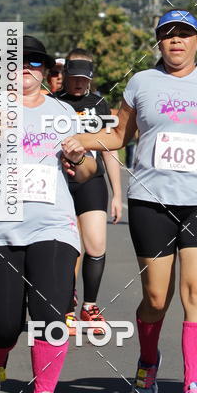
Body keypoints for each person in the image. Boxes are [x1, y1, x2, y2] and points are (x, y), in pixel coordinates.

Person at [62, 10, 197, 393]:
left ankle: (193, 388)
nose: (176, 40)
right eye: (168, 34)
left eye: (184, 34)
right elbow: (119, 135)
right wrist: (79, 139)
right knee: (156, 299)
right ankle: (148, 361)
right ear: (159, 42)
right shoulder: (141, 83)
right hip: (151, 202)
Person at [0, 35, 96, 393]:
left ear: (46, 71)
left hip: (53, 225)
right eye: (16, 62)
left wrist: (78, 156)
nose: (25, 69)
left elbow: (87, 171)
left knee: (50, 314)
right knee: (3, 324)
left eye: (34, 62)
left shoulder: (62, 112)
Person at [57, 49, 122, 335]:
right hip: (61, 182)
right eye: (74, 78)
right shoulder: (52, 103)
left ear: (91, 79)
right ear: (65, 75)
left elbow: (110, 149)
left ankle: (90, 306)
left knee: (96, 246)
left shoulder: (99, 104)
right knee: (70, 249)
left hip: (92, 182)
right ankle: (66, 307)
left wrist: (117, 194)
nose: (79, 83)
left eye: (84, 79)